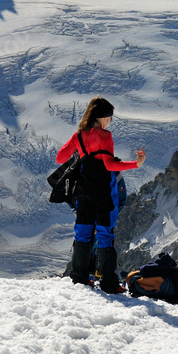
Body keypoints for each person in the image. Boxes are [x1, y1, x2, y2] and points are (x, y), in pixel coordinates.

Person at [56, 96, 146, 293]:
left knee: (82, 233)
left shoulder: (79, 135)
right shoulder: (105, 136)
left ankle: (79, 277)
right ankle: (109, 283)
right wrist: (136, 164)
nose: (110, 121)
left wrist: (81, 151)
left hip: (83, 190)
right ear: (102, 116)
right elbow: (109, 165)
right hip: (103, 192)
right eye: (110, 117)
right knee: (105, 235)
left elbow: (60, 157)